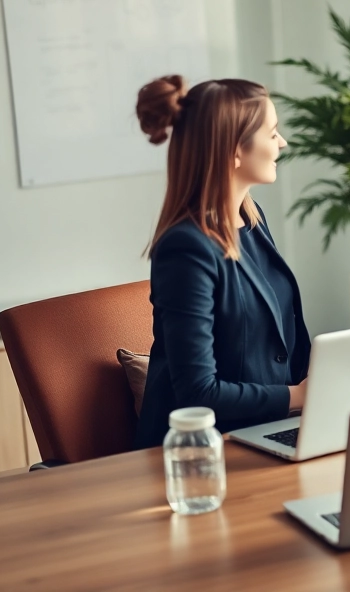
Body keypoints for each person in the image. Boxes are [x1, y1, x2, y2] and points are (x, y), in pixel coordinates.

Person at [133, 75, 310, 449]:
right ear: (234, 151)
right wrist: (299, 395)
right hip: (203, 453)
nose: (282, 143)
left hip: (266, 432)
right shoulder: (184, 248)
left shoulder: (252, 218)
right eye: (272, 133)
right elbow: (199, 392)